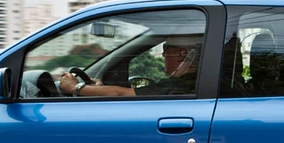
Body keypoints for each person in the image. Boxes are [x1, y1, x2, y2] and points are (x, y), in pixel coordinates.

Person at [58, 35, 202, 97]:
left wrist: (74, 87)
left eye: (165, 49)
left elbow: (121, 94)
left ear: (181, 53)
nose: (163, 55)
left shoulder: (175, 86)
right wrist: (100, 89)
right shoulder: (196, 82)